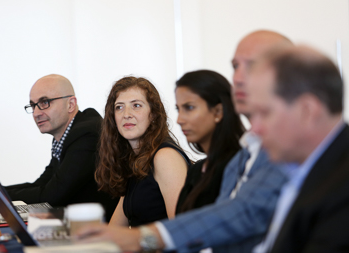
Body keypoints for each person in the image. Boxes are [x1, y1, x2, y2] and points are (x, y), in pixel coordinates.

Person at [74, 30, 293, 252]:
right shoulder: (245, 153)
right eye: (236, 66)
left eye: (189, 108)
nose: (181, 119)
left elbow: (238, 216)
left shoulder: (282, 150)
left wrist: (143, 238)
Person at [0, 74, 118, 221]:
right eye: (33, 105)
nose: (36, 113)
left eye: (45, 102)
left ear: (71, 104)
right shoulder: (67, 134)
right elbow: (41, 184)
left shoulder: (86, 134)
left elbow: (50, 196)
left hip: (97, 234)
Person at [249, 46, 349, 252]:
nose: (254, 129)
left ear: (308, 111)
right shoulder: (304, 169)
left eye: (264, 113)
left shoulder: (343, 186)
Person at [95, 76, 190, 227]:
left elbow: (182, 232)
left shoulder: (165, 157)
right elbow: (115, 230)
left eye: (136, 105)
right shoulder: (135, 160)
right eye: (119, 107)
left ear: (153, 114)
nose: (126, 114)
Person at [175, 70, 245, 214]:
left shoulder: (238, 164)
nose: (179, 119)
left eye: (189, 108)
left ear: (218, 112)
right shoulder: (197, 170)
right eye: (178, 109)